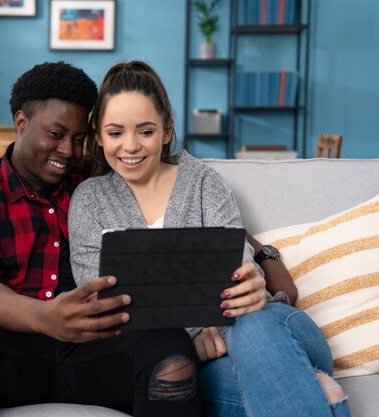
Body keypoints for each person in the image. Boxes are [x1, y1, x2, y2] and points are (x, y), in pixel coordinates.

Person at [0, 61, 202, 417]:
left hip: (96, 353)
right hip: (3, 352)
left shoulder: (97, 178)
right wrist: (45, 316)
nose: (68, 152)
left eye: (78, 140)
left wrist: (259, 251)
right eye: (56, 135)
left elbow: (179, 203)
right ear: (21, 122)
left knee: (171, 345)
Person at [68, 60, 351, 417]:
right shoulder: (90, 200)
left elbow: (241, 267)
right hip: (202, 362)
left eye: (145, 131)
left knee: (254, 327)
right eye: (115, 133)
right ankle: (321, 395)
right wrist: (188, 342)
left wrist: (239, 296)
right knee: (215, 390)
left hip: (271, 327)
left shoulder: (203, 182)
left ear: (167, 131)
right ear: (98, 136)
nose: (130, 146)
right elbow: (103, 301)